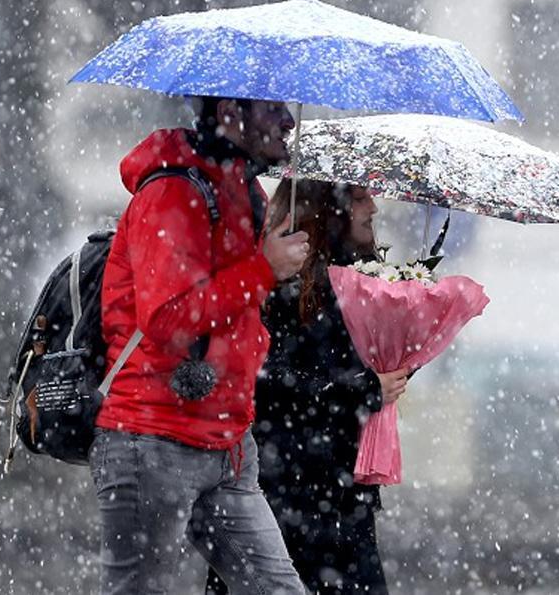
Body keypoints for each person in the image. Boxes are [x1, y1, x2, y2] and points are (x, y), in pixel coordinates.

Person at [93, 96, 310, 594]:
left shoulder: (244, 190)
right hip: (152, 439)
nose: (287, 121)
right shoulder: (172, 191)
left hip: (228, 443)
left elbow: (238, 307)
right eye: (272, 108)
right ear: (231, 111)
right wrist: (264, 270)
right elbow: (168, 318)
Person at [206, 179, 412, 595]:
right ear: (326, 209)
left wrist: (402, 356)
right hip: (285, 487)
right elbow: (266, 380)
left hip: (339, 490)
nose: (372, 207)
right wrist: (362, 389)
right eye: (358, 198)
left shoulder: (361, 282)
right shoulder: (281, 286)